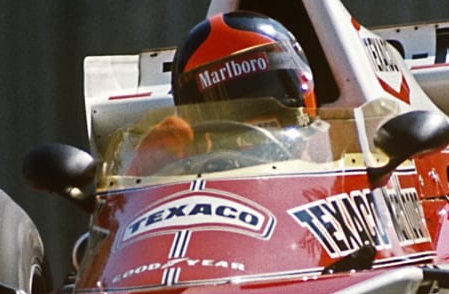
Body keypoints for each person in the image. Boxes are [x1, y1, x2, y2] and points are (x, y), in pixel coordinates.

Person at [127, 12, 321, 175]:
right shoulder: (167, 152)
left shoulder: (331, 152)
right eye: (229, 105)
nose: (250, 113)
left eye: (261, 90)